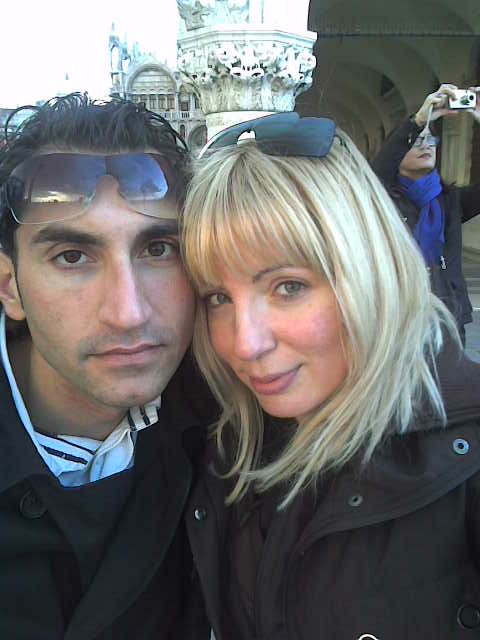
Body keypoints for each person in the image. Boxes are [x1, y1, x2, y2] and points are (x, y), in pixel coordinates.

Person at [180, 112, 480, 639]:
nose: (245, 344)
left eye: (288, 287)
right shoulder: (226, 443)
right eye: (218, 297)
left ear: (370, 269)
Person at [0, 94, 210, 639]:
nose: (128, 312)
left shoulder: (240, 427)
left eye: (159, 250)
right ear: (9, 286)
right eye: (72, 257)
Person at [372, 83, 480, 344]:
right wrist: (419, 121)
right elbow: (375, 173)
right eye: (418, 141)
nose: (427, 145)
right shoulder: (381, 198)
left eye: (431, 140)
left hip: (449, 317)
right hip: (399, 319)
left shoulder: (450, 200)